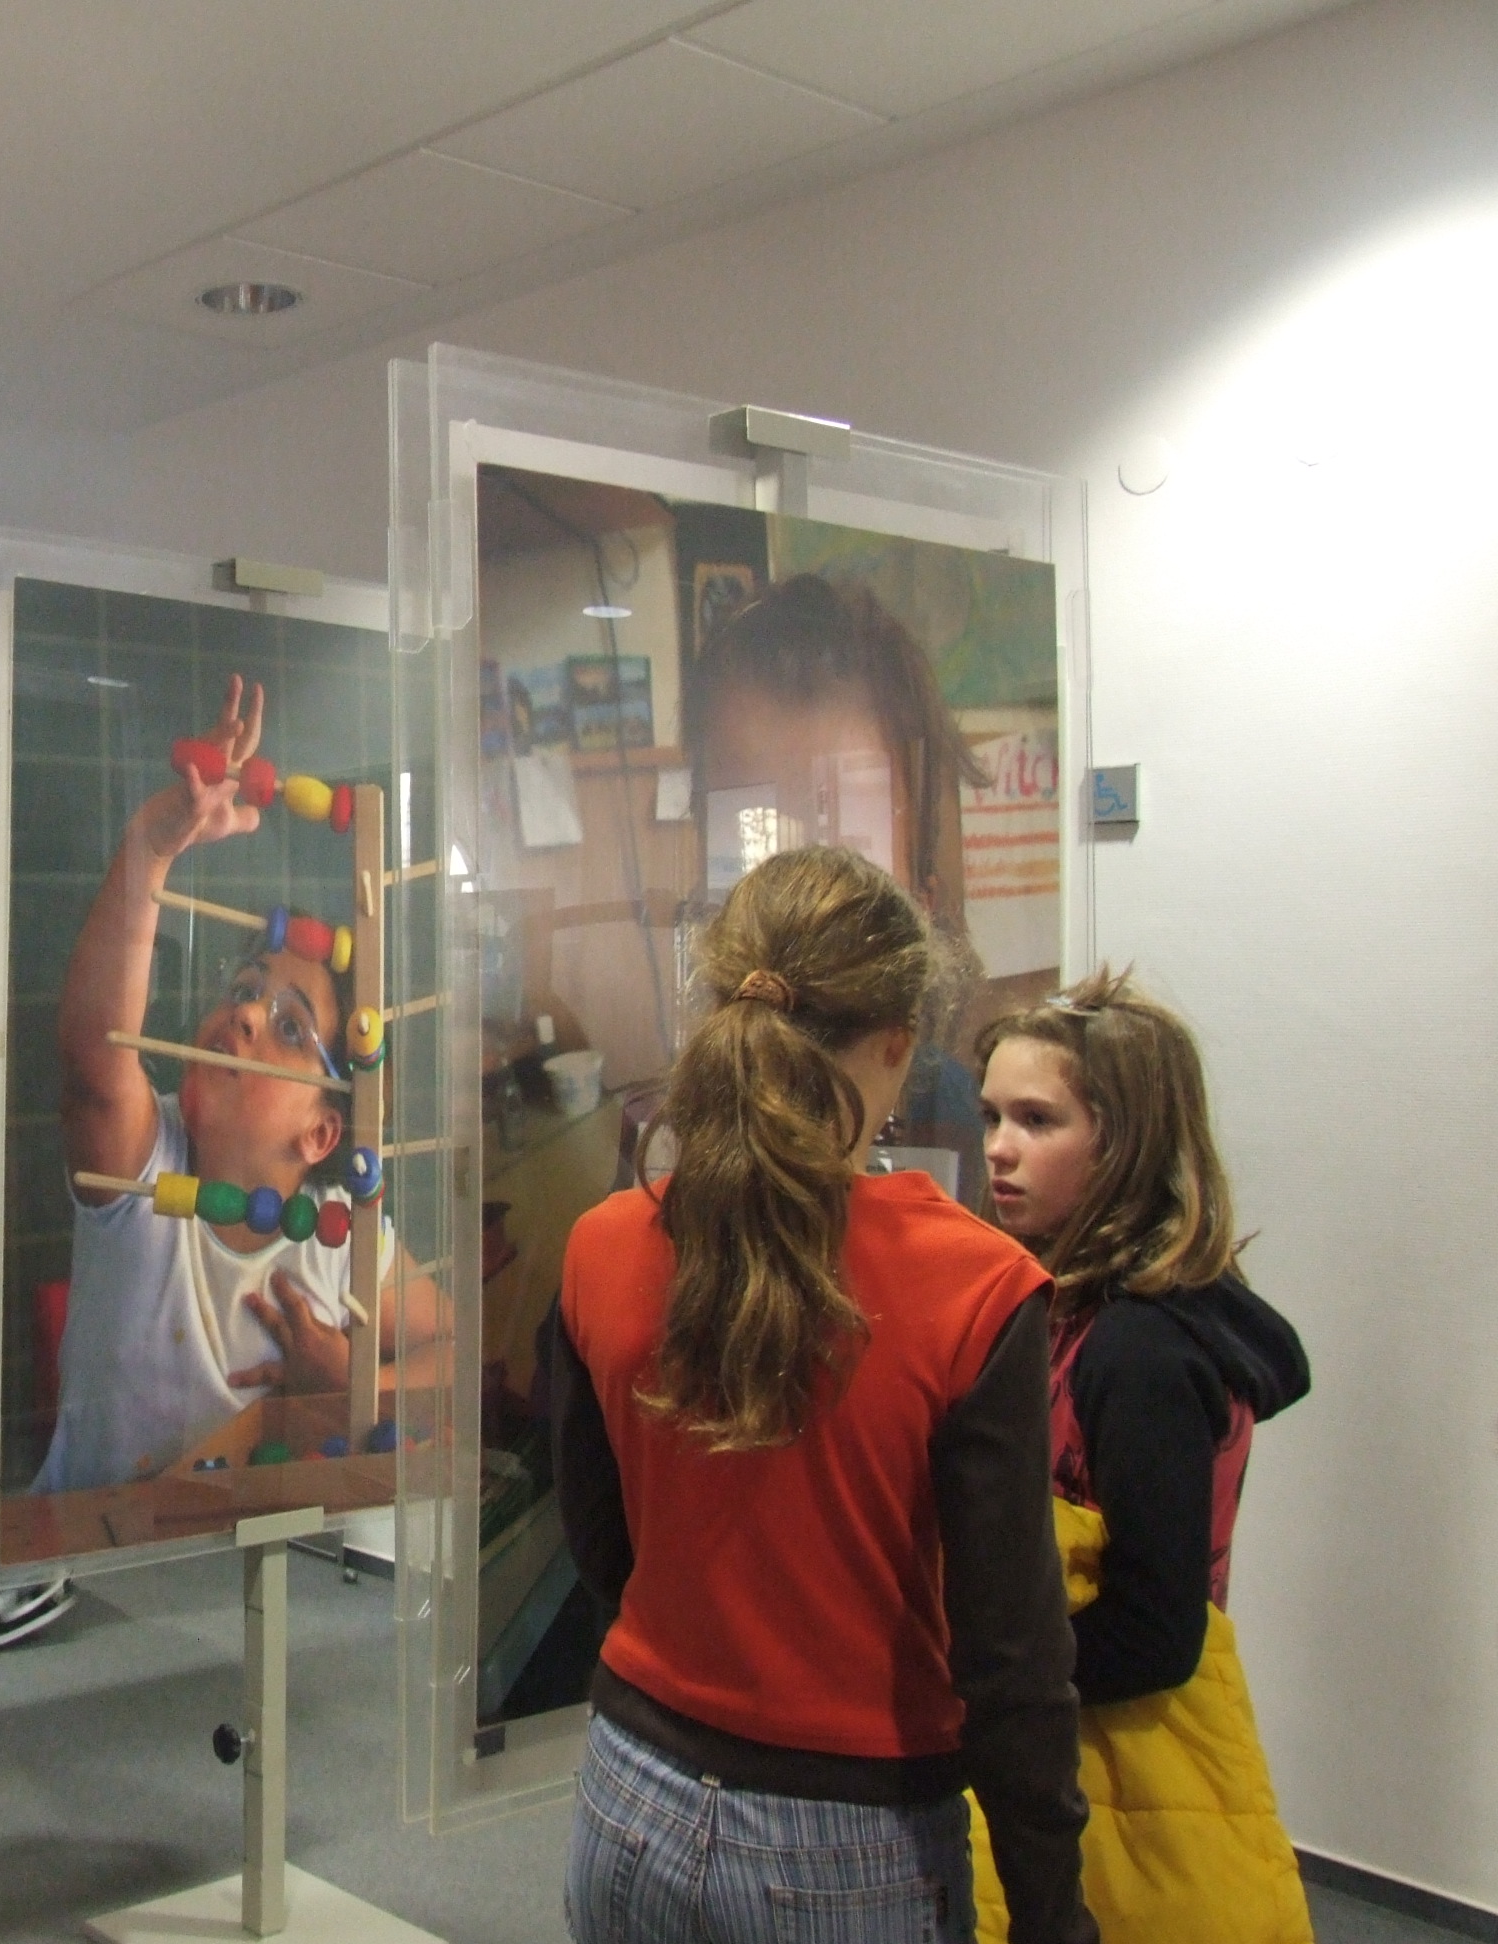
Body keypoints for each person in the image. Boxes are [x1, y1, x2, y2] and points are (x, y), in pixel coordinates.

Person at [553, 846, 1095, 1944]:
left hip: (626, 1799)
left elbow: (602, 1545)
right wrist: (1051, 1915)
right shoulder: (976, 1288)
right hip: (849, 1845)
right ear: (897, 1042)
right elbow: (1011, 1662)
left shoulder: (601, 1245)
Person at [971, 970, 1314, 1943]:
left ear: (1125, 1141)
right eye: (992, 1114)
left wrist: (978, 1676)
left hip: (1126, 1760)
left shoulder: (1141, 1348)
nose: (999, 1147)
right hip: (1069, 1736)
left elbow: (1158, 1629)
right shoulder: (1066, 1305)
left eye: (1038, 1120)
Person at [40, 674, 437, 1496]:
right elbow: (94, 1057)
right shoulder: (145, 1167)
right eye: (244, 989)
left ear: (321, 1133)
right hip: (98, 1547)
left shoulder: (344, 1237)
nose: (247, 1013)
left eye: (290, 1028)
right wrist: (154, 846)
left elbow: (452, 1349)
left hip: (257, 1546)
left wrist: (355, 1379)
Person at [689, 572, 995, 1200]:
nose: (800, 904)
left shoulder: (958, 1117)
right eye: (759, 828)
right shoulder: (678, 1120)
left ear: (924, 896)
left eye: (853, 849)